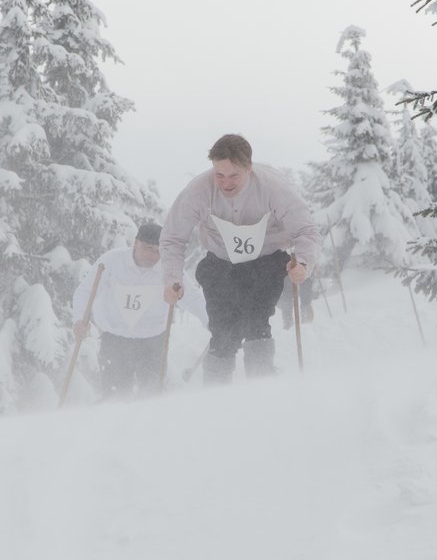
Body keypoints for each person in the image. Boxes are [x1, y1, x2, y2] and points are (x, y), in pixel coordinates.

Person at [160, 134, 320, 383]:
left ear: (249, 167)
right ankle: (215, 392)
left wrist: (303, 264)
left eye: (234, 175)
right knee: (223, 332)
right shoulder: (198, 191)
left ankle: (261, 384)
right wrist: (171, 279)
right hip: (220, 264)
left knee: (257, 322)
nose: (225, 183)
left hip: (266, 261)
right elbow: (172, 239)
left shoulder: (274, 187)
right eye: (219, 175)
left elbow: (305, 230)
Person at [72, 223, 207, 398]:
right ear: (135, 243)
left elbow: (191, 297)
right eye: (148, 248)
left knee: (151, 397)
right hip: (115, 341)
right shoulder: (111, 262)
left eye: (158, 250)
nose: (152, 255)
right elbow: (85, 292)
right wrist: (79, 319)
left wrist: (212, 321)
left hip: (153, 343)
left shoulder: (170, 268)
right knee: (115, 398)